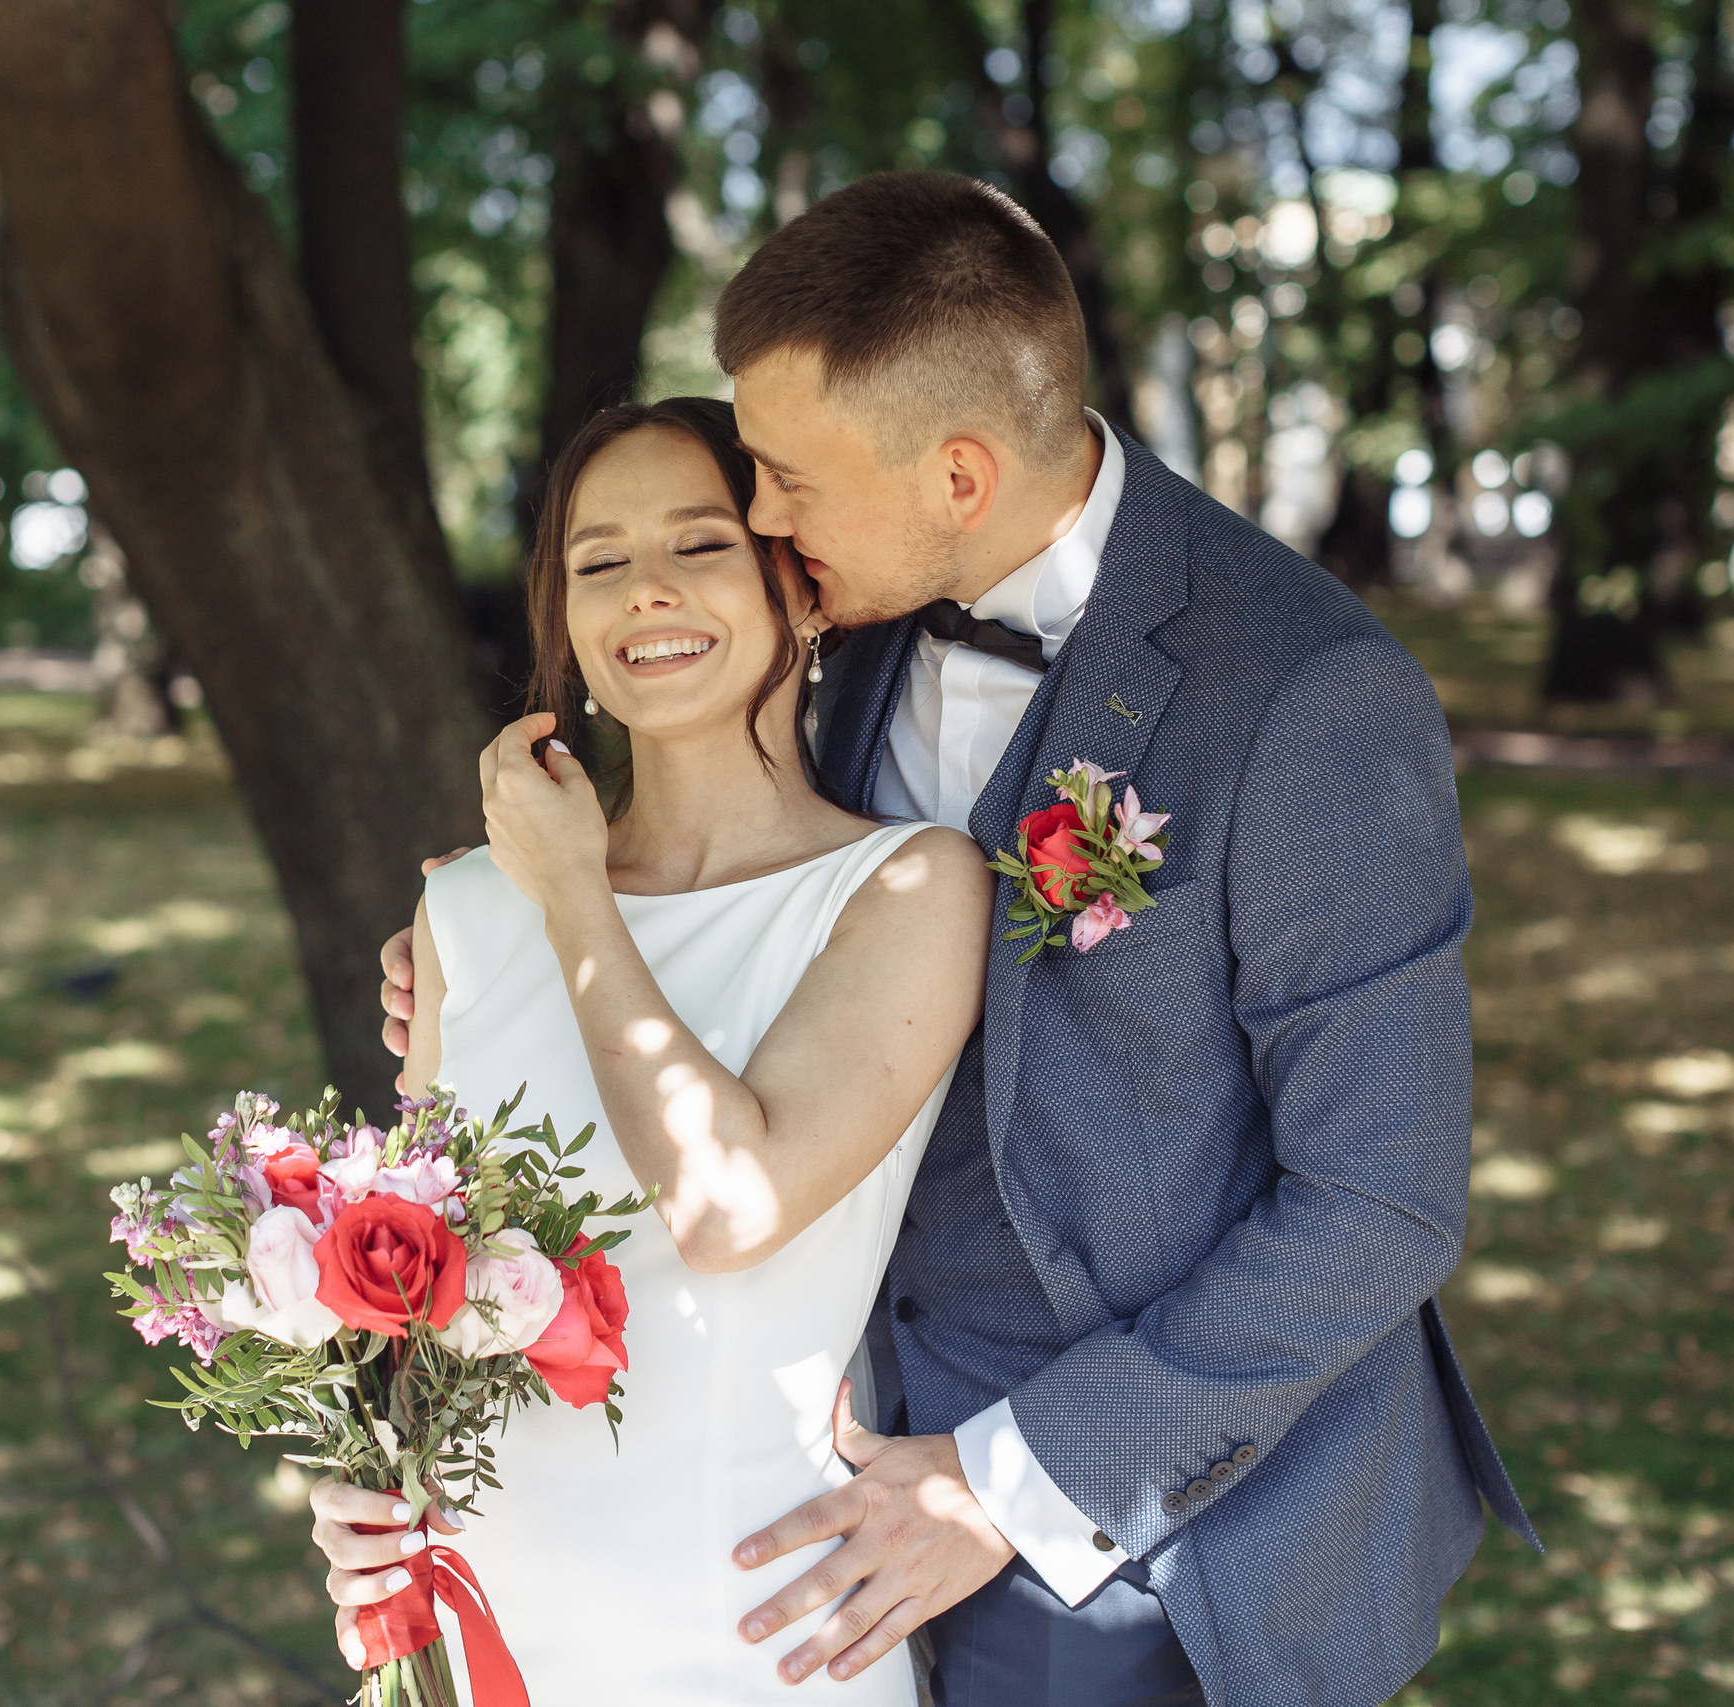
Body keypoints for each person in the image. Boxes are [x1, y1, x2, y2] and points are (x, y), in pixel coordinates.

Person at [380, 172, 1538, 1707]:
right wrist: (502, 956)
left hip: (1145, 1534)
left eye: (786, 479)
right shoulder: (852, 610)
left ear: (962, 477)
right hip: (791, 1473)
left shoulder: (1307, 697)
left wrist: (1004, 1486)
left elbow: (1378, 1201)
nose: (762, 517)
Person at [310, 396, 993, 1702]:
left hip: (751, 1634)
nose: (647, 592)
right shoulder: (466, 910)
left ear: (803, 588)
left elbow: (727, 1210)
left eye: (701, 544)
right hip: (487, 1629)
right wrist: (365, 1489)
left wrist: (574, 894)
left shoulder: (907, 891)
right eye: (600, 562)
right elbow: (415, 1291)